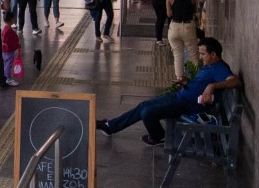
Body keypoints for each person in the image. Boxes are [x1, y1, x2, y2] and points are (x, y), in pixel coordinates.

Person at [97, 36, 241, 144]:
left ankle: (159, 137)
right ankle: (110, 126)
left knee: (147, 113)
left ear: (214, 55)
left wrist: (212, 86)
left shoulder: (220, 68)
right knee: (143, 106)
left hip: (187, 106)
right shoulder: (209, 65)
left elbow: (235, 81)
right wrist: (187, 82)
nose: (201, 57)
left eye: (203, 54)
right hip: (180, 96)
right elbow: (200, 83)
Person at [166, 0, 199, 73]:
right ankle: (197, 80)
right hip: (188, 26)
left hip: (174, 27)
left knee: (178, 57)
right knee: (193, 55)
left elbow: (169, 14)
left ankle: (179, 81)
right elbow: (195, 9)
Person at [0, 9, 21, 84]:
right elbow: (9, 42)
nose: (14, 19)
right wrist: (17, 45)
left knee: (5, 64)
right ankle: (7, 79)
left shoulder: (5, 29)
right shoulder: (9, 31)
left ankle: (5, 77)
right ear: (11, 19)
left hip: (4, 51)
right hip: (8, 51)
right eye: (14, 18)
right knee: (8, 65)